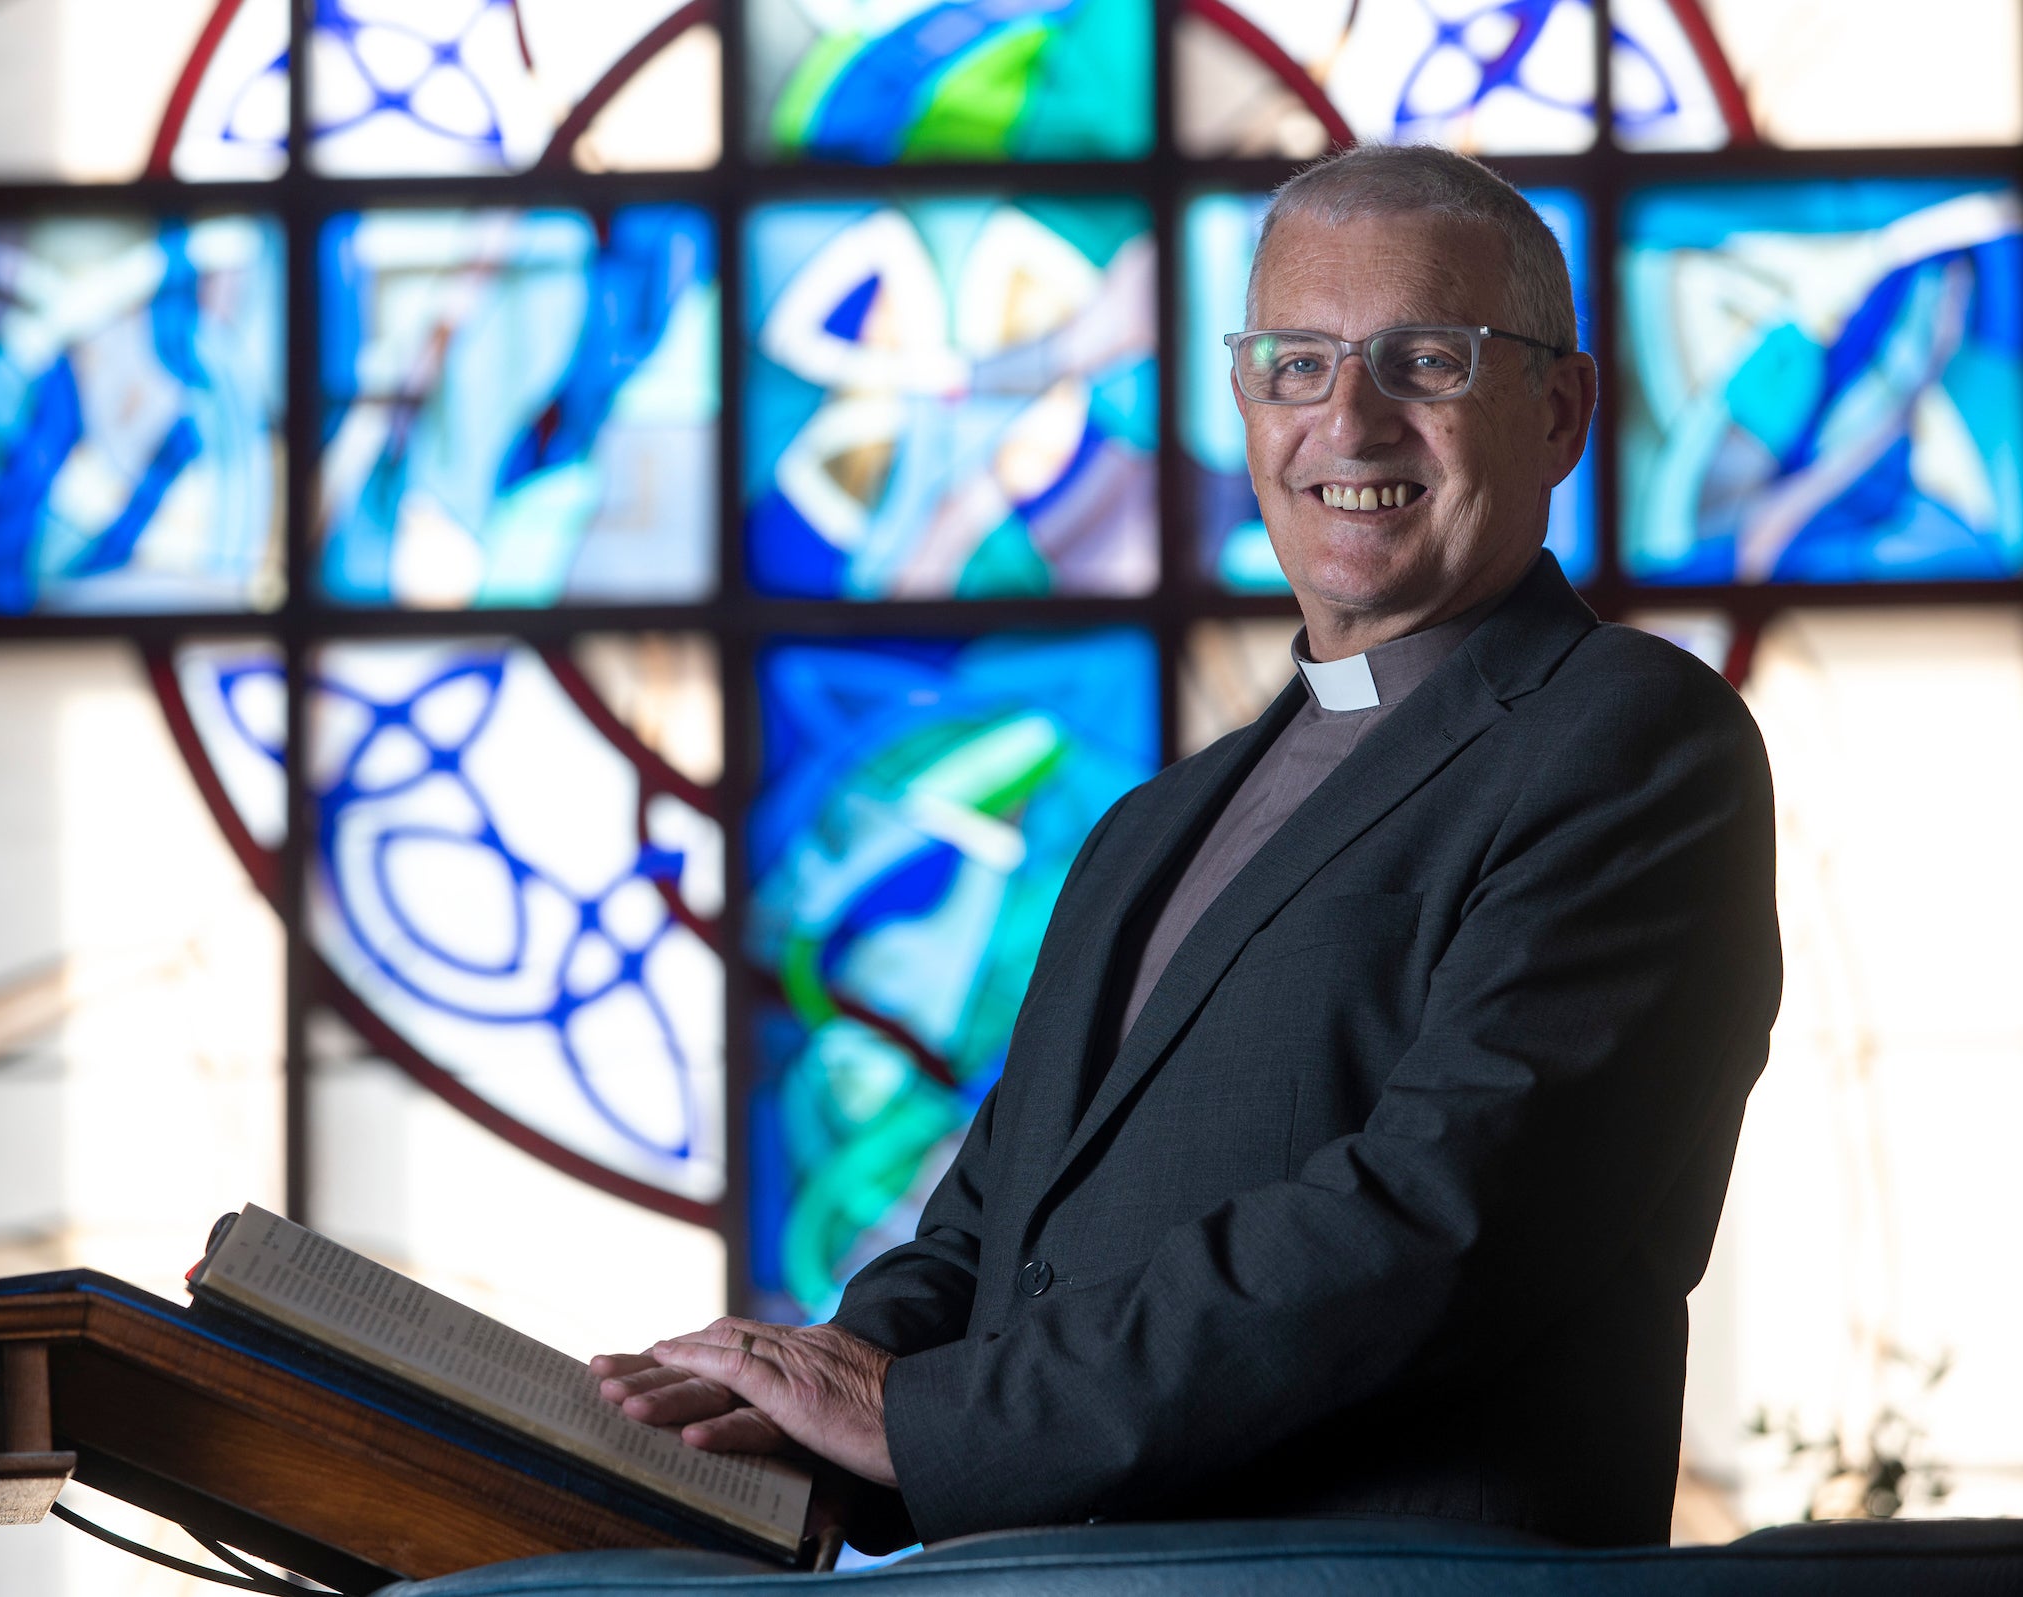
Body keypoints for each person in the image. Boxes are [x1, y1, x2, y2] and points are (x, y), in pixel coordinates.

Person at [593, 144, 1781, 1551]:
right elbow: (987, 1232)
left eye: (1426, 363)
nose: (1349, 422)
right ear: (1240, 397)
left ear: (1563, 410)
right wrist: (781, 1410)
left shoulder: (1629, 739)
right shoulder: (1152, 823)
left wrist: (920, 1422)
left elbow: (1437, 1222)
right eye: (1296, 362)